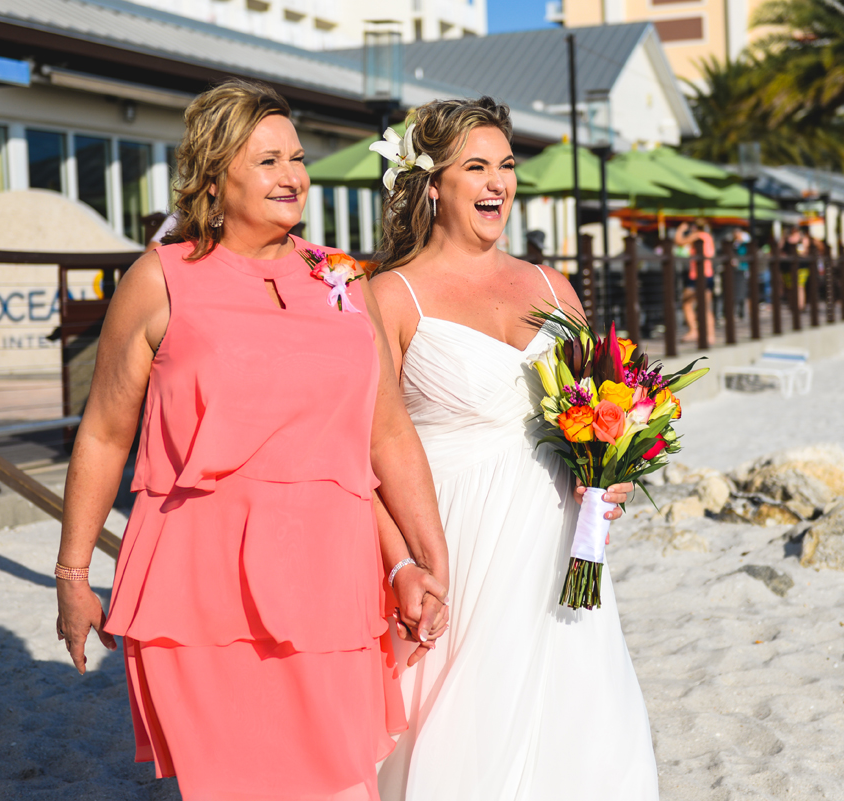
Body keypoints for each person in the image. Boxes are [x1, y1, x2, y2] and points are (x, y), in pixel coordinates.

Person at [54, 79, 451, 801]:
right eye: (267, 160)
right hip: (198, 587)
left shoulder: (341, 279)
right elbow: (107, 432)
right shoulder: (158, 280)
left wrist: (424, 559)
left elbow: (385, 432)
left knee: (339, 782)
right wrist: (73, 576)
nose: (293, 175)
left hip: (330, 583)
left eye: (296, 158)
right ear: (213, 175)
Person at [369, 97, 658, 800]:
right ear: (432, 183)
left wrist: (612, 474)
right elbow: (359, 455)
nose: (498, 181)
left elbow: (604, 403)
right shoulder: (390, 296)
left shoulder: (552, 286)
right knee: (468, 732)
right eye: (476, 167)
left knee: (586, 722)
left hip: (563, 543)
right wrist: (401, 559)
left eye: (505, 165)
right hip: (458, 541)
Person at [674, 219, 715, 342]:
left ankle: (694, 331)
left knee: (687, 304)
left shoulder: (698, 235)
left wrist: (681, 229)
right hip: (706, 274)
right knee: (704, 306)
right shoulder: (708, 236)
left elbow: (679, 241)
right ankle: (710, 335)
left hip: (697, 275)